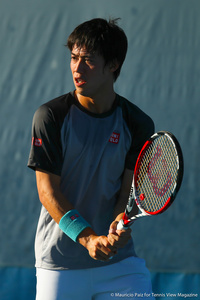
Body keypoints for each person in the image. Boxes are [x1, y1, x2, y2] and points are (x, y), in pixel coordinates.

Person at [28, 18, 155, 300]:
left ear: (113, 65)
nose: (77, 68)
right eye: (74, 58)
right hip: (60, 264)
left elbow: (125, 191)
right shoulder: (50, 117)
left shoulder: (138, 124)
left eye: (88, 60)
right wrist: (87, 238)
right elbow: (48, 192)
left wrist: (119, 221)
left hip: (119, 265)